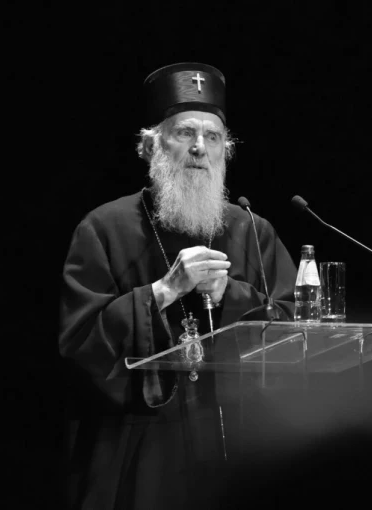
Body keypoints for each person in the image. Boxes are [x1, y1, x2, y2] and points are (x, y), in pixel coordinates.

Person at [58, 62, 297, 508]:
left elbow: (293, 331)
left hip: (240, 440)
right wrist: (163, 291)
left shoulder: (251, 229)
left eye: (213, 137)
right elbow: (79, 343)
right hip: (138, 444)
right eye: (185, 133)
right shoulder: (103, 227)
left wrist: (230, 295)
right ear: (151, 146)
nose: (200, 148)